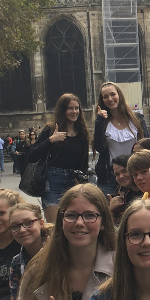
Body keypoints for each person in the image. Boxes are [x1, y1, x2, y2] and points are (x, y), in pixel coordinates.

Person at [27, 93, 92, 223]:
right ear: (63, 110)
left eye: (77, 108)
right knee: (54, 226)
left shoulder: (82, 133)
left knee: (72, 223)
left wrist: (82, 181)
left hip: (73, 182)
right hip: (52, 180)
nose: (74, 111)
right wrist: (50, 140)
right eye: (70, 108)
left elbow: (83, 163)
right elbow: (31, 156)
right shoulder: (51, 129)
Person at [94, 82, 146, 194]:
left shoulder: (137, 119)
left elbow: (147, 145)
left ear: (119, 95)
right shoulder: (103, 122)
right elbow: (100, 147)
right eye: (105, 96)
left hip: (136, 175)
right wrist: (99, 121)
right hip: (110, 177)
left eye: (113, 94)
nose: (110, 99)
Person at [109, 154, 143, 224]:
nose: (121, 176)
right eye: (117, 174)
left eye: (124, 171)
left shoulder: (146, 191)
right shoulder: (121, 192)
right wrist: (110, 209)